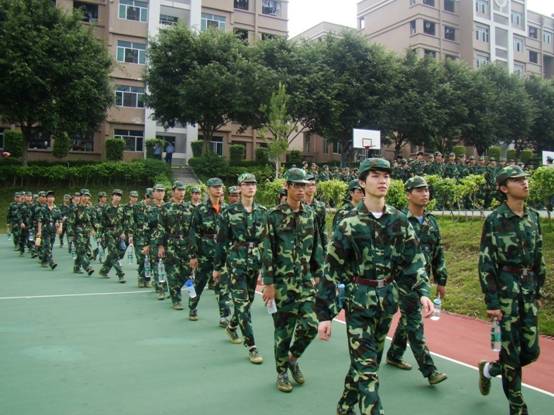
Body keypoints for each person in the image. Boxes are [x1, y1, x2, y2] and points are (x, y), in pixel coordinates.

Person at [316, 158, 433, 415]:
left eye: (386, 176)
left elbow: (413, 261)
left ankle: (345, 406)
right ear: (362, 182)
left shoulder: (399, 221)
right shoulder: (348, 223)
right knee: (368, 371)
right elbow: (331, 270)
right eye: (375, 176)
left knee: (367, 363)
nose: (382, 181)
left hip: (387, 302)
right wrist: (324, 315)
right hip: (358, 303)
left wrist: (423, 292)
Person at [478, 166, 546, 415]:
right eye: (517, 180)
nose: (524, 183)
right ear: (504, 188)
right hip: (506, 292)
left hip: (528, 291)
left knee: (531, 351)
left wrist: (538, 291)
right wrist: (492, 301)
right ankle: (518, 408)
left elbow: (538, 257)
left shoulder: (533, 217)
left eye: (525, 179)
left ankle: (490, 369)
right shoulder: (496, 219)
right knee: (511, 355)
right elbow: (486, 262)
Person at [262, 167, 324, 393]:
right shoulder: (273, 216)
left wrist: (319, 274)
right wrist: (269, 284)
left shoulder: (310, 214)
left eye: (304, 185)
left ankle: (292, 358)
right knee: (283, 332)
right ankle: (281, 373)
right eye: (296, 185)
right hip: (282, 284)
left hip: (305, 282)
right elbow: (267, 250)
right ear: (287, 186)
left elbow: (317, 246)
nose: (301, 189)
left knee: (311, 326)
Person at [385, 176, 448, 385]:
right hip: (403, 279)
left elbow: (438, 252)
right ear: (408, 194)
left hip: (422, 280)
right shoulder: (400, 221)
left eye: (427, 190)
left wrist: (441, 279)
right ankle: (430, 371)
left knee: (407, 319)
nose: (425, 194)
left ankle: (394, 354)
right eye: (419, 190)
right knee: (414, 322)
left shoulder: (431, 221)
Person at [214, 173, 268, 365]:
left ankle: (232, 326)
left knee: (249, 300)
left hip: (255, 261)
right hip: (236, 262)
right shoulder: (229, 212)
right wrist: (218, 267)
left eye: (253, 183)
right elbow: (221, 241)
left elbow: (266, 241)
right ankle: (252, 346)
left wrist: (268, 268)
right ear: (239, 187)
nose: (250, 187)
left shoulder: (263, 212)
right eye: (246, 184)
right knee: (242, 305)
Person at [189, 178, 231, 325]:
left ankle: (224, 316)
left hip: (222, 252)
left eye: (220, 187)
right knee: (199, 283)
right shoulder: (200, 210)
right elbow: (193, 233)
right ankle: (192, 306)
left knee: (223, 284)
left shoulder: (227, 209)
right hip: (205, 252)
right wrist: (193, 255)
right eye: (215, 187)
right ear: (208, 189)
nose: (218, 189)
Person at [159, 181, 196, 310]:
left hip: (186, 243)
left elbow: (193, 228)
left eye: (183, 190)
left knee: (188, 271)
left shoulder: (190, 207)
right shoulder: (165, 207)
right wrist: (161, 246)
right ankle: (176, 300)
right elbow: (161, 228)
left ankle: (175, 290)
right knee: (172, 272)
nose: (181, 192)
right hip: (171, 243)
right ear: (173, 191)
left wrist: (194, 246)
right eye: (179, 190)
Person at [143, 184, 168, 300]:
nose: (160, 193)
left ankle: (167, 288)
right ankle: (161, 289)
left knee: (168, 265)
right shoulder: (149, 209)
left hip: (168, 240)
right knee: (157, 265)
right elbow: (146, 228)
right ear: (153, 193)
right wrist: (146, 244)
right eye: (158, 191)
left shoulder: (168, 207)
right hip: (154, 240)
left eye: (162, 191)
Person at [98, 190, 127, 283]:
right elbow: (102, 223)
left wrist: (124, 232)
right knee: (114, 253)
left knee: (120, 250)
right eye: (116, 195)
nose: (117, 197)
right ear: (112, 196)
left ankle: (104, 270)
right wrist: (99, 236)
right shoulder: (106, 208)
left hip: (119, 234)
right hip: (109, 233)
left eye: (119, 196)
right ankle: (120, 274)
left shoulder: (122, 209)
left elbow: (125, 221)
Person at [71, 189, 95, 276]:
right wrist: (71, 234)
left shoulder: (90, 208)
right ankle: (88, 267)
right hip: (77, 231)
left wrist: (93, 229)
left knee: (83, 250)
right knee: (81, 250)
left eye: (87, 196)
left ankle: (76, 267)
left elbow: (91, 221)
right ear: (81, 197)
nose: (86, 198)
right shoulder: (75, 208)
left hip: (86, 232)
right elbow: (70, 222)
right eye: (84, 196)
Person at [36, 191, 62, 270]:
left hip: (53, 229)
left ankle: (44, 260)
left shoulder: (57, 209)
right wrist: (39, 231)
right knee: (47, 245)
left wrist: (60, 227)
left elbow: (60, 219)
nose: (51, 198)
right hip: (45, 229)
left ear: (54, 199)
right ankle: (51, 262)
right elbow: (40, 220)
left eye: (52, 197)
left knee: (50, 246)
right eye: (49, 197)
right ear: (46, 199)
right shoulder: (43, 209)